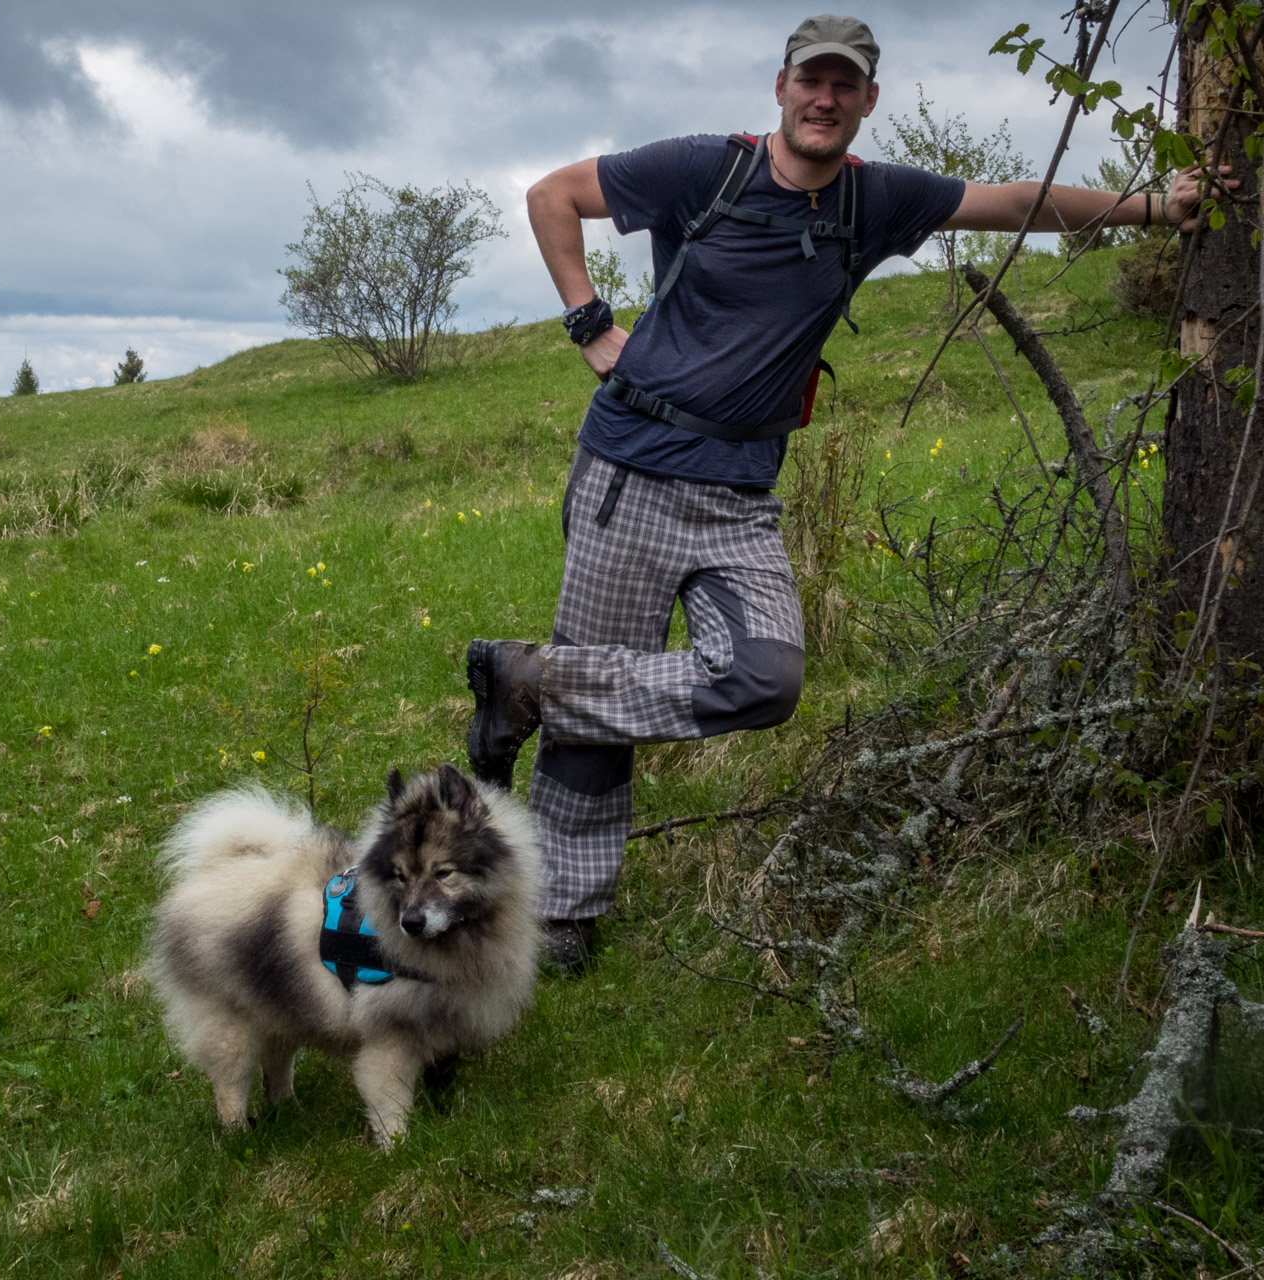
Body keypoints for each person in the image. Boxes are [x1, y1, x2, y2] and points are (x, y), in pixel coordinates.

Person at [467, 14, 1224, 976]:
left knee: (763, 679)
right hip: (632, 470)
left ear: (868, 100)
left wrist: (1156, 208)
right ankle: (564, 916)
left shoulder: (875, 201)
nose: (825, 99)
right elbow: (552, 196)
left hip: (741, 493)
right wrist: (587, 321)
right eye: (810, 81)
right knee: (607, 697)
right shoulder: (707, 168)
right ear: (780, 87)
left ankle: (530, 683)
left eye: (845, 85)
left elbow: (1016, 203)